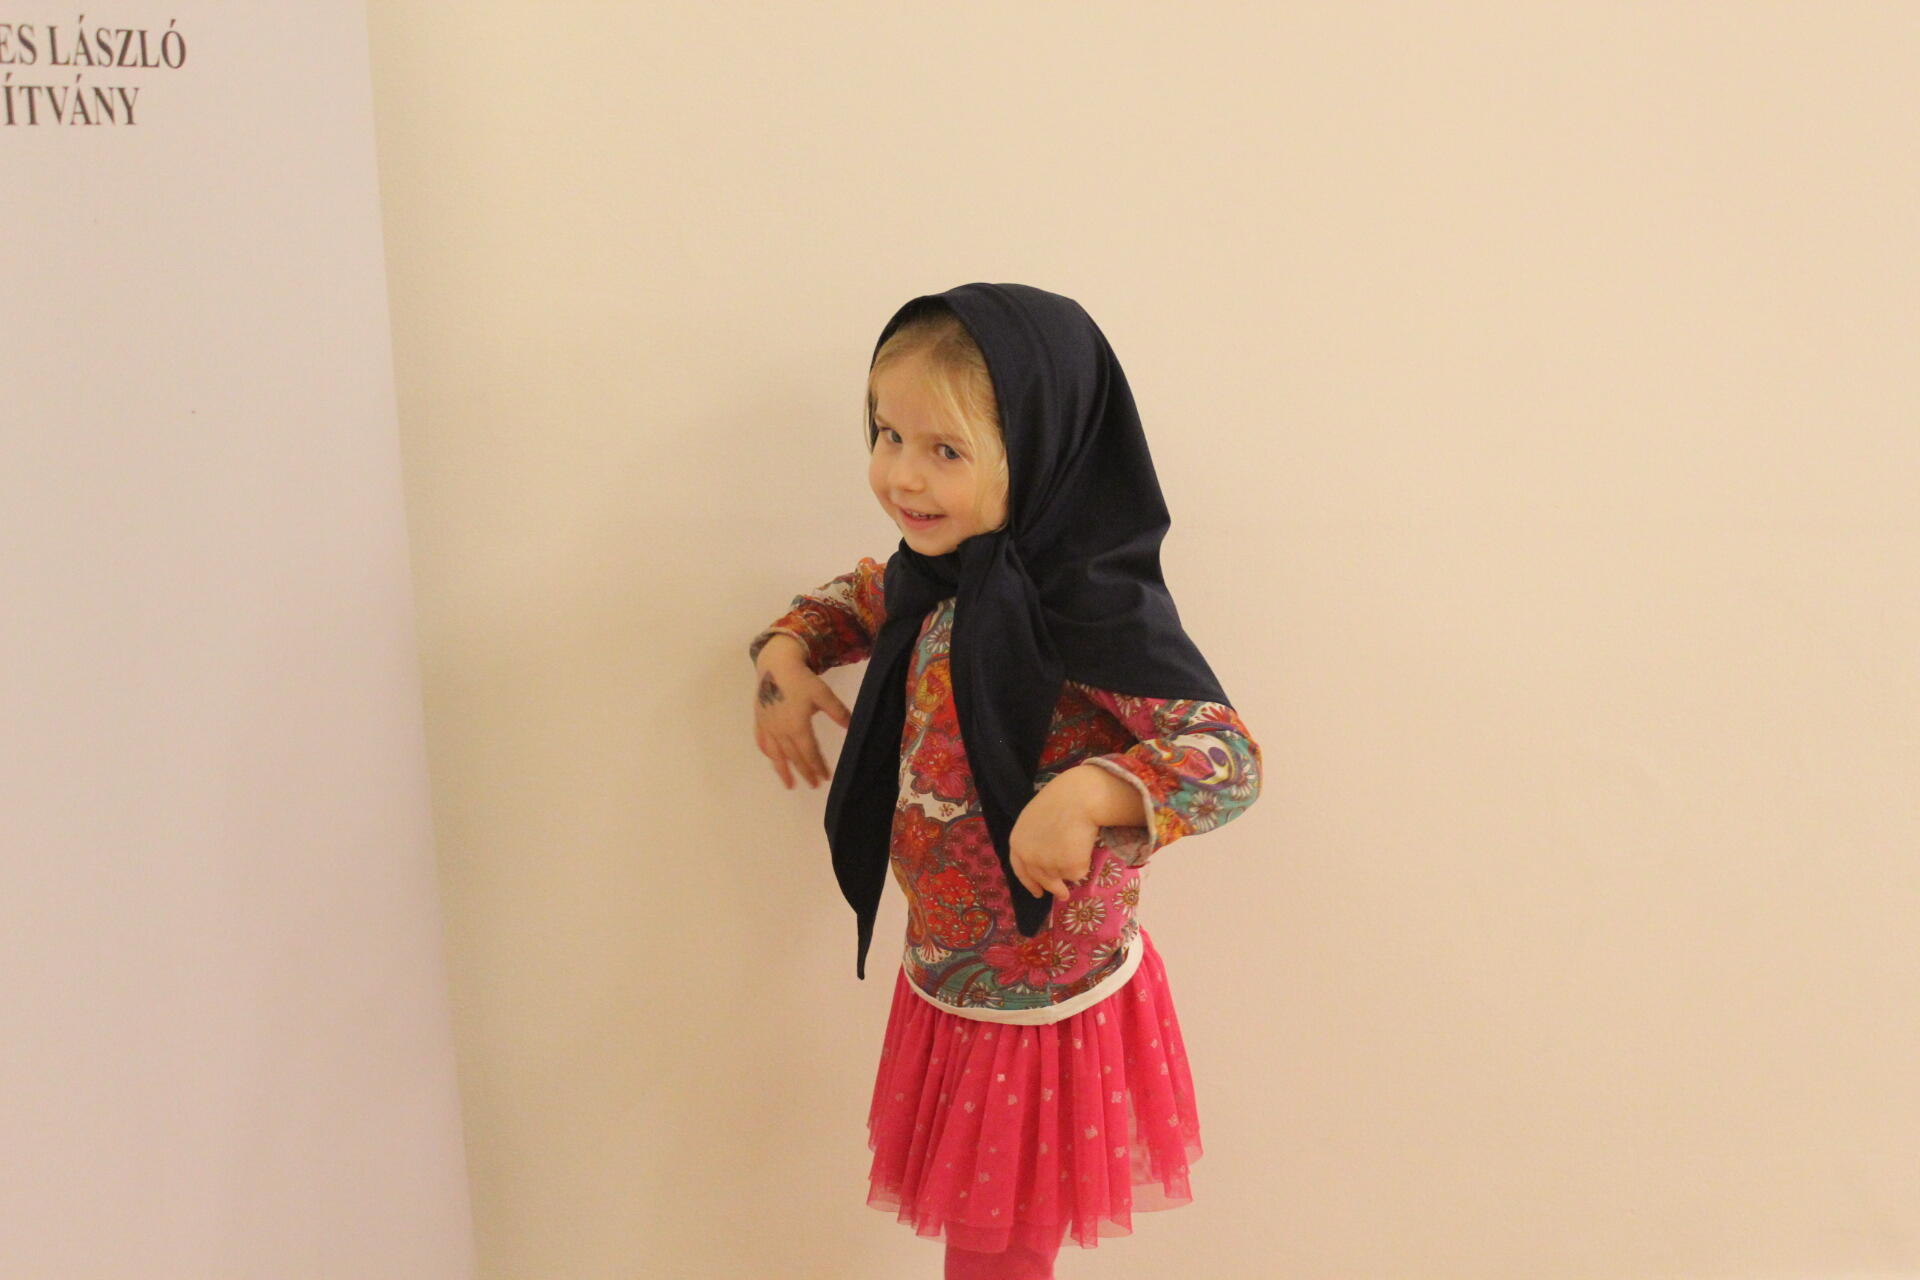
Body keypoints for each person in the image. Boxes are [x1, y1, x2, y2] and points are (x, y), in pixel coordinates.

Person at [748, 283, 1263, 1279]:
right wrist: (783, 658)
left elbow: (1226, 757)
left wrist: (1091, 792)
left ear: (1044, 449)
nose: (903, 475)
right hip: (950, 975)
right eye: (888, 434)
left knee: (1000, 1250)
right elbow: (847, 600)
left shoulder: (1091, 613)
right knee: (983, 1242)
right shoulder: (932, 575)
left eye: (946, 450)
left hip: (1044, 995)